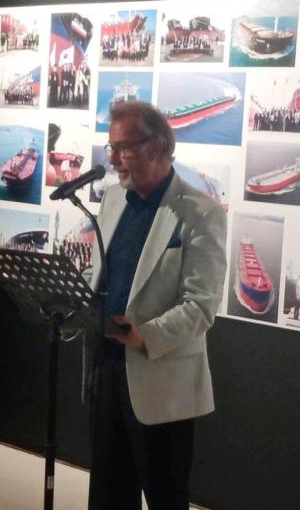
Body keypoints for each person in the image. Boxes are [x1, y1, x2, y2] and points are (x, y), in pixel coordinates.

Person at [88, 101, 227, 510]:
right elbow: (101, 274)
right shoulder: (113, 198)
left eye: (123, 148)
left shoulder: (201, 213)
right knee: (109, 496)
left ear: (158, 146)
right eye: (111, 148)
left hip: (162, 378)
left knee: (166, 498)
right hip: (108, 369)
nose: (113, 159)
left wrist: (143, 335)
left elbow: (201, 305)